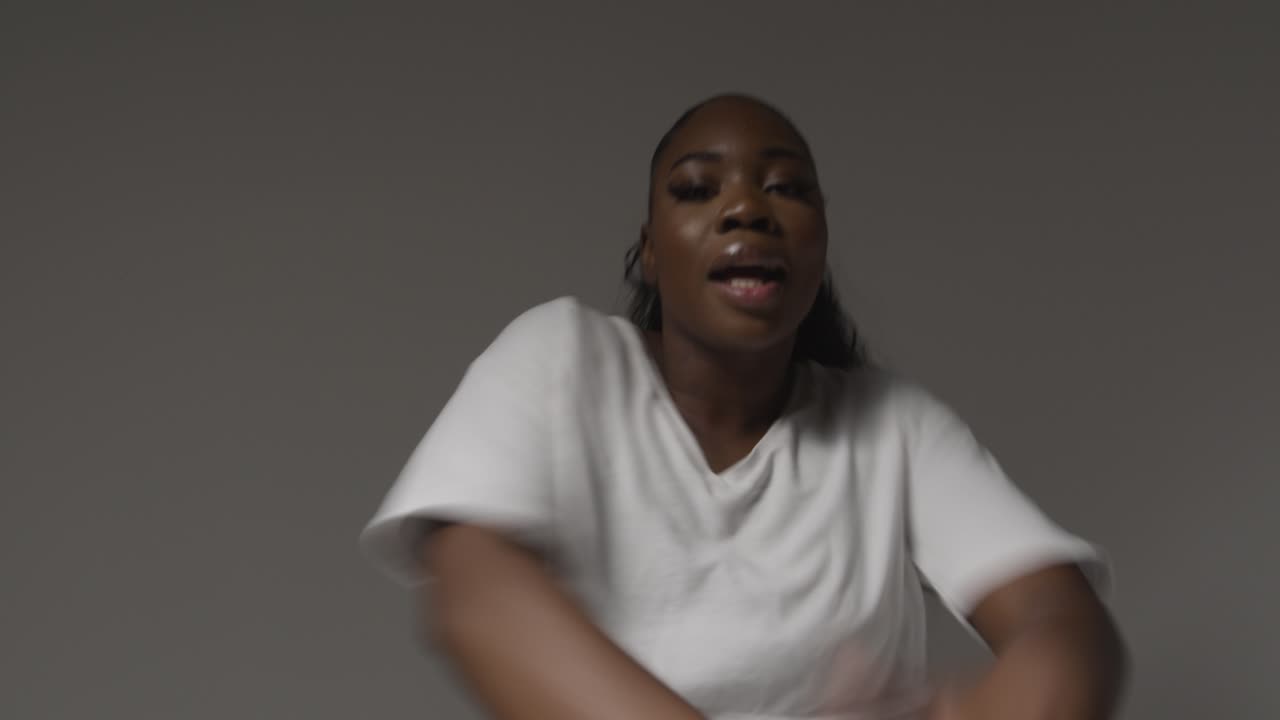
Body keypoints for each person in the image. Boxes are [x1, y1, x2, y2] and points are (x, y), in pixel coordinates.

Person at [359, 93, 1128, 720]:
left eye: (786, 189)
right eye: (697, 189)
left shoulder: (892, 425)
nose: (747, 210)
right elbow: (475, 595)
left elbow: (1062, 624)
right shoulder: (561, 357)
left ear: (819, 243)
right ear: (651, 251)